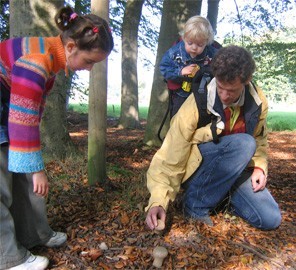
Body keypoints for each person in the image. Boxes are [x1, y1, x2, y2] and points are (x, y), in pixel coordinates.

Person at [0, 5, 113, 270]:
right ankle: (9, 258)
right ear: (72, 46)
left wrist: (31, 165)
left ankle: (34, 234)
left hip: (6, 101)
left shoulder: (52, 58)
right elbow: (23, 123)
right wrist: (37, 168)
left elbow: (30, 115)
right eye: (90, 61)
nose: (90, 69)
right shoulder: (38, 61)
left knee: (23, 172)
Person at [145, 45, 281, 231]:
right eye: (220, 88)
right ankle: (195, 205)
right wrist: (158, 201)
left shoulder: (257, 101)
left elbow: (259, 138)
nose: (224, 96)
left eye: (231, 91)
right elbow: (170, 155)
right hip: (198, 169)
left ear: (246, 81)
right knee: (243, 144)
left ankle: (219, 195)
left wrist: (259, 166)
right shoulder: (197, 102)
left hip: (233, 169)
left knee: (270, 218)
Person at [160, 15, 219, 118]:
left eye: (200, 45)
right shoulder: (175, 52)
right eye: (190, 43)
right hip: (182, 94)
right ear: (184, 37)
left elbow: (223, 64)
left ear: (207, 42)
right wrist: (180, 71)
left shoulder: (213, 52)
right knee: (178, 119)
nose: (194, 48)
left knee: (203, 118)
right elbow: (164, 67)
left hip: (204, 94)